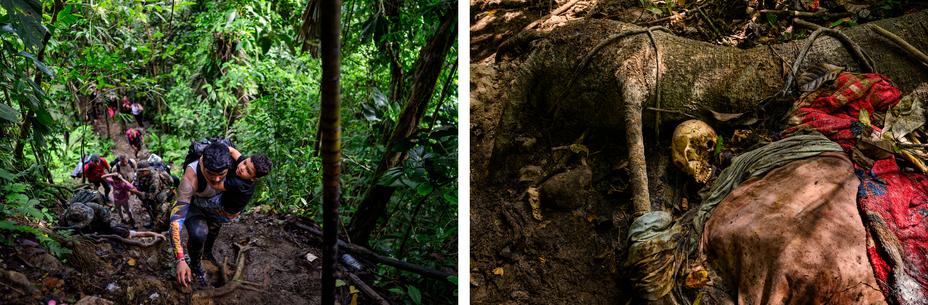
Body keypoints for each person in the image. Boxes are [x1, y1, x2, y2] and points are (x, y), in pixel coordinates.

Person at [169, 142, 233, 287]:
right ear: (202, 162)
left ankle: (208, 252)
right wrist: (180, 259)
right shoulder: (191, 176)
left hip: (216, 204)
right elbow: (175, 220)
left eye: (221, 174)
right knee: (199, 232)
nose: (216, 180)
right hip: (194, 203)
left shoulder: (236, 168)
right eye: (210, 173)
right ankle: (196, 265)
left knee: (214, 228)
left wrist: (237, 209)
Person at [60, 201, 165, 241]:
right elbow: (63, 230)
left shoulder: (97, 209)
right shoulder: (66, 216)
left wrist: (155, 234)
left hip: (99, 229)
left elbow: (142, 233)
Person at [135, 161, 172, 228]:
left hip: (162, 189)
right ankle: (153, 220)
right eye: (139, 171)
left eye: (143, 171)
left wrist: (136, 192)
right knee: (147, 205)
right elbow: (137, 180)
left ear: (148, 170)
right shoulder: (141, 174)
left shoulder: (154, 178)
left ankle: (162, 222)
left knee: (156, 204)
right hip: (150, 189)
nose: (140, 173)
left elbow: (151, 196)